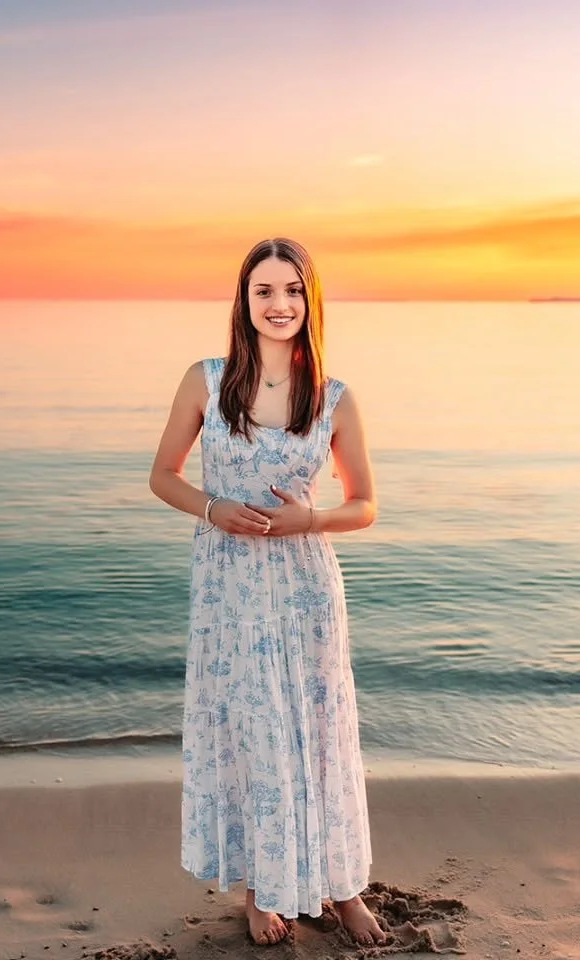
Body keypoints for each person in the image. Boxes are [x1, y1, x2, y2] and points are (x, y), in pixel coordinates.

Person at [148, 237, 386, 946]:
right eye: (263, 291)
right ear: (244, 301)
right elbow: (163, 475)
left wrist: (309, 519)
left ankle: (343, 890)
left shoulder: (335, 397)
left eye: (290, 290)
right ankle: (259, 891)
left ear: (309, 301)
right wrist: (212, 508)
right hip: (229, 587)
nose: (278, 304)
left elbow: (366, 503)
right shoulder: (206, 380)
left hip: (306, 584)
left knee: (319, 729)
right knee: (249, 733)